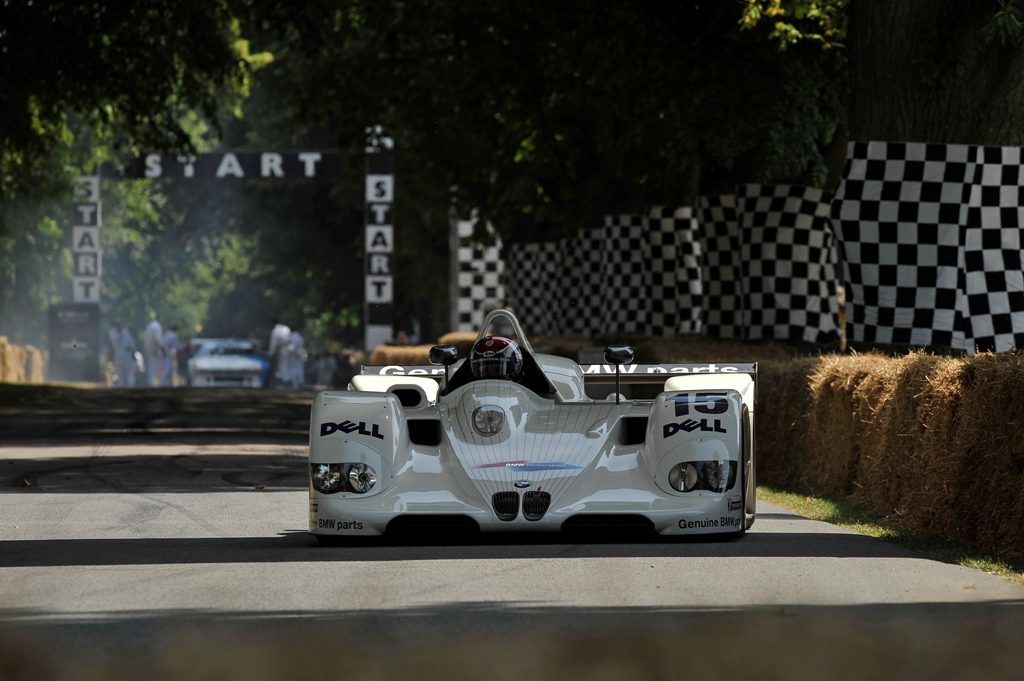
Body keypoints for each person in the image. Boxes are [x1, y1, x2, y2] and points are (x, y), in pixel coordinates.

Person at [267, 319, 292, 388]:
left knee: (282, 365)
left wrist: (271, 353)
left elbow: (273, 344)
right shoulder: (286, 328)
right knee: (287, 365)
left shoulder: (275, 331)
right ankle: (287, 381)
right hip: (289, 348)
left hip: (282, 349)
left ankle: (284, 382)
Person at [112, 322, 137, 387]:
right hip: (119, 355)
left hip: (128, 354)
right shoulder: (113, 333)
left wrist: (133, 351)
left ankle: (130, 386)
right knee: (120, 373)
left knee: (129, 372)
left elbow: (132, 342)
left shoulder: (126, 331)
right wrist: (121, 333)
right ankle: (121, 387)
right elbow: (115, 340)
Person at [143, 315, 164, 387]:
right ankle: (153, 385)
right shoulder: (157, 326)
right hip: (155, 350)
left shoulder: (150, 325)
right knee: (155, 368)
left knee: (151, 368)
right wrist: (161, 349)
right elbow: (157, 339)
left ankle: (151, 383)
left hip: (149, 350)